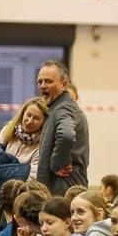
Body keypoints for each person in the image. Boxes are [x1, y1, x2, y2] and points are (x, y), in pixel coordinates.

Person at [35, 59, 89, 196]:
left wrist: (56, 164)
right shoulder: (56, 108)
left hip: (62, 191)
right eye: (40, 81)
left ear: (64, 84)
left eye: (48, 81)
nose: (42, 86)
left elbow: (66, 135)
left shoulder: (63, 108)